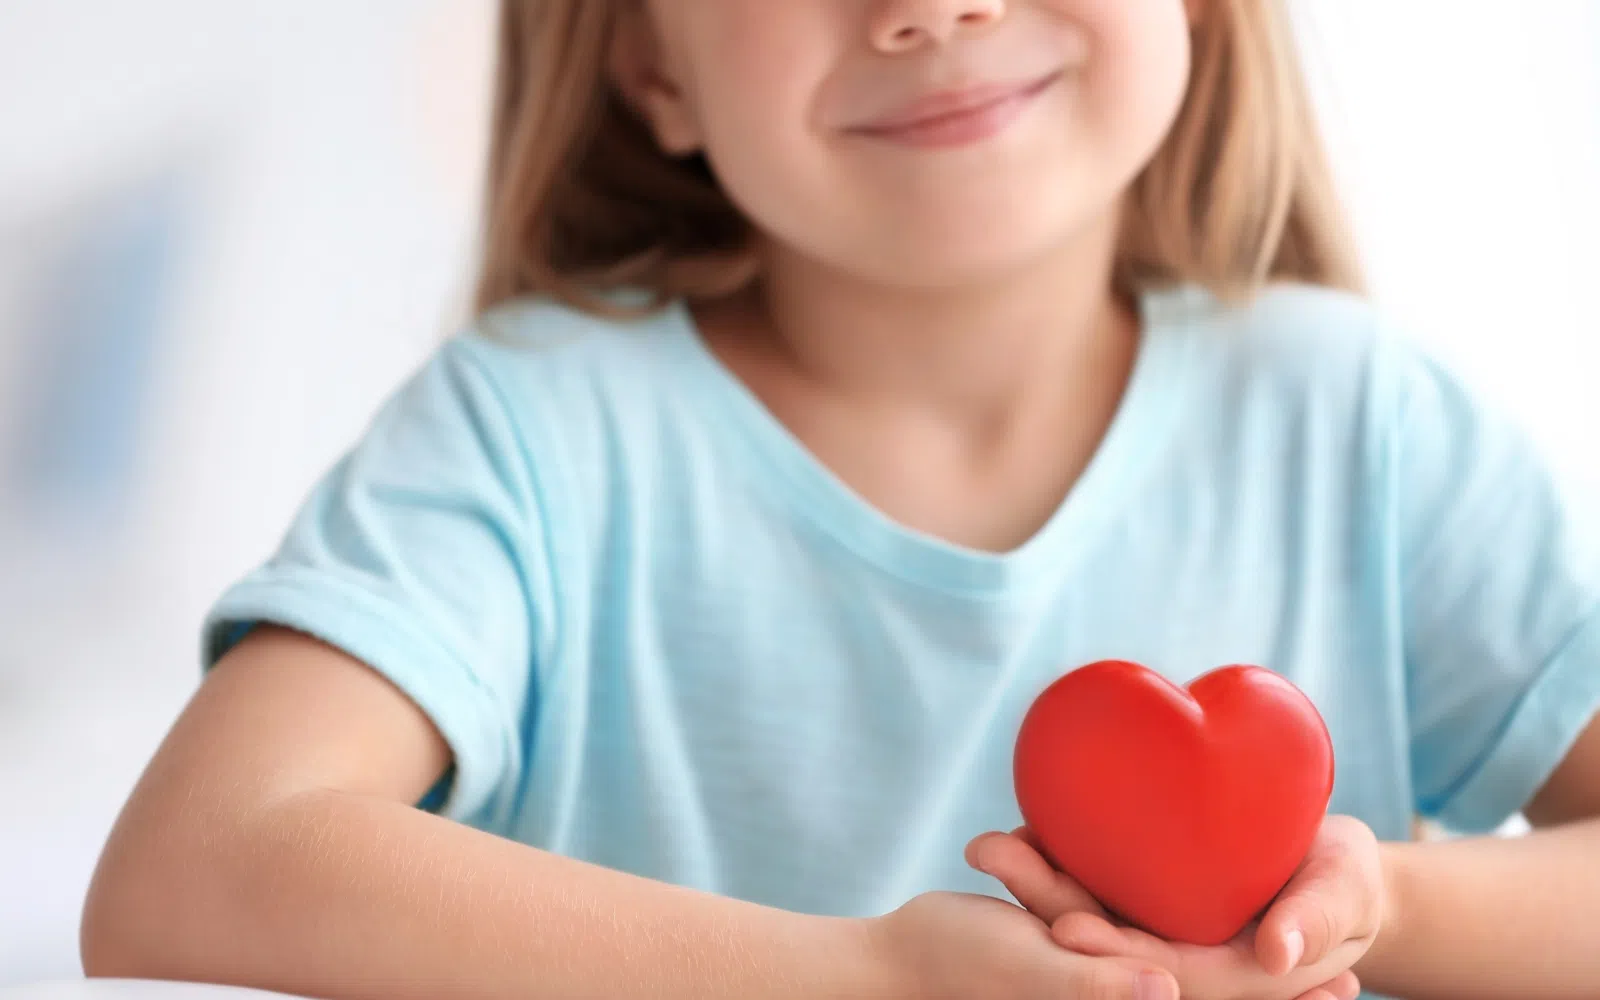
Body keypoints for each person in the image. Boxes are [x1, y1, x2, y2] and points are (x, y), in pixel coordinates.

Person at [81, 2, 1600, 999]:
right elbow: (196, 861)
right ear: (651, 64)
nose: (932, 10)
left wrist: (1378, 898)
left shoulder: (1365, 423)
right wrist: (869, 980)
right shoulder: (534, 432)